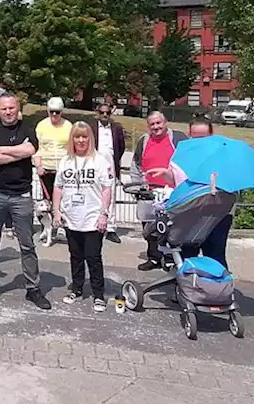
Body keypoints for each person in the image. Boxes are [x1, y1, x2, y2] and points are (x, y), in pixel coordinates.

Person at [0, 94, 48, 309]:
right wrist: (18, 153)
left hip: (21, 195)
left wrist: (3, 150)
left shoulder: (28, 128)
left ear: (18, 109)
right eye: (4, 108)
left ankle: (33, 288)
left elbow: (31, 149)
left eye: (12, 108)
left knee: (27, 245)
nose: (8, 112)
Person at [143, 116, 232, 268]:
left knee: (215, 256)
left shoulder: (222, 154)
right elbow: (176, 181)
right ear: (189, 135)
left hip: (217, 214)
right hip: (189, 213)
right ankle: (188, 289)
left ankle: (217, 289)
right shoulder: (181, 153)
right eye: (195, 137)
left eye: (203, 137)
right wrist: (166, 174)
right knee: (187, 257)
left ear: (211, 135)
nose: (199, 142)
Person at [54, 122, 115, 312]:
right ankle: (77, 289)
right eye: (77, 137)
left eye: (84, 136)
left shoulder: (100, 160)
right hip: (71, 217)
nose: (80, 140)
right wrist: (56, 210)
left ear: (90, 138)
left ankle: (98, 295)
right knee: (75, 256)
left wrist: (104, 214)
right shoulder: (65, 161)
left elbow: (107, 188)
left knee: (93, 257)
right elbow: (58, 187)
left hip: (93, 218)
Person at [131, 111, 188, 270]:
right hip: (149, 191)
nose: (156, 127)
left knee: (172, 227)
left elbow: (188, 162)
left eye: (159, 123)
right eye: (152, 124)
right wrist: (137, 187)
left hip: (171, 191)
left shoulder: (178, 138)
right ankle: (154, 257)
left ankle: (171, 258)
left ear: (165, 123)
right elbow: (136, 164)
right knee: (150, 228)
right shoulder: (144, 140)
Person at [93, 103, 128, 244]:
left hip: (110, 167)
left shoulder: (117, 128)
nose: (105, 115)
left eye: (107, 113)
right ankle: (95, 224)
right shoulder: (92, 127)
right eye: (102, 113)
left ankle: (111, 228)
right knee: (94, 194)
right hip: (94, 166)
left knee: (111, 196)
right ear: (98, 113)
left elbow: (121, 147)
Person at [33, 97, 72, 219]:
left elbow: (72, 148)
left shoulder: (68, 126)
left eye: (57, 112)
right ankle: (49, 227)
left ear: (62, 112)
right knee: (48, 199)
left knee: (64, 197)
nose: (54, 114)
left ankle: (62, 225)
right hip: (46, 167)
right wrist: (38, 166)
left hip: (64, 168)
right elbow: (37, 148)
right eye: (52, 112)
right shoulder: (41, 126)